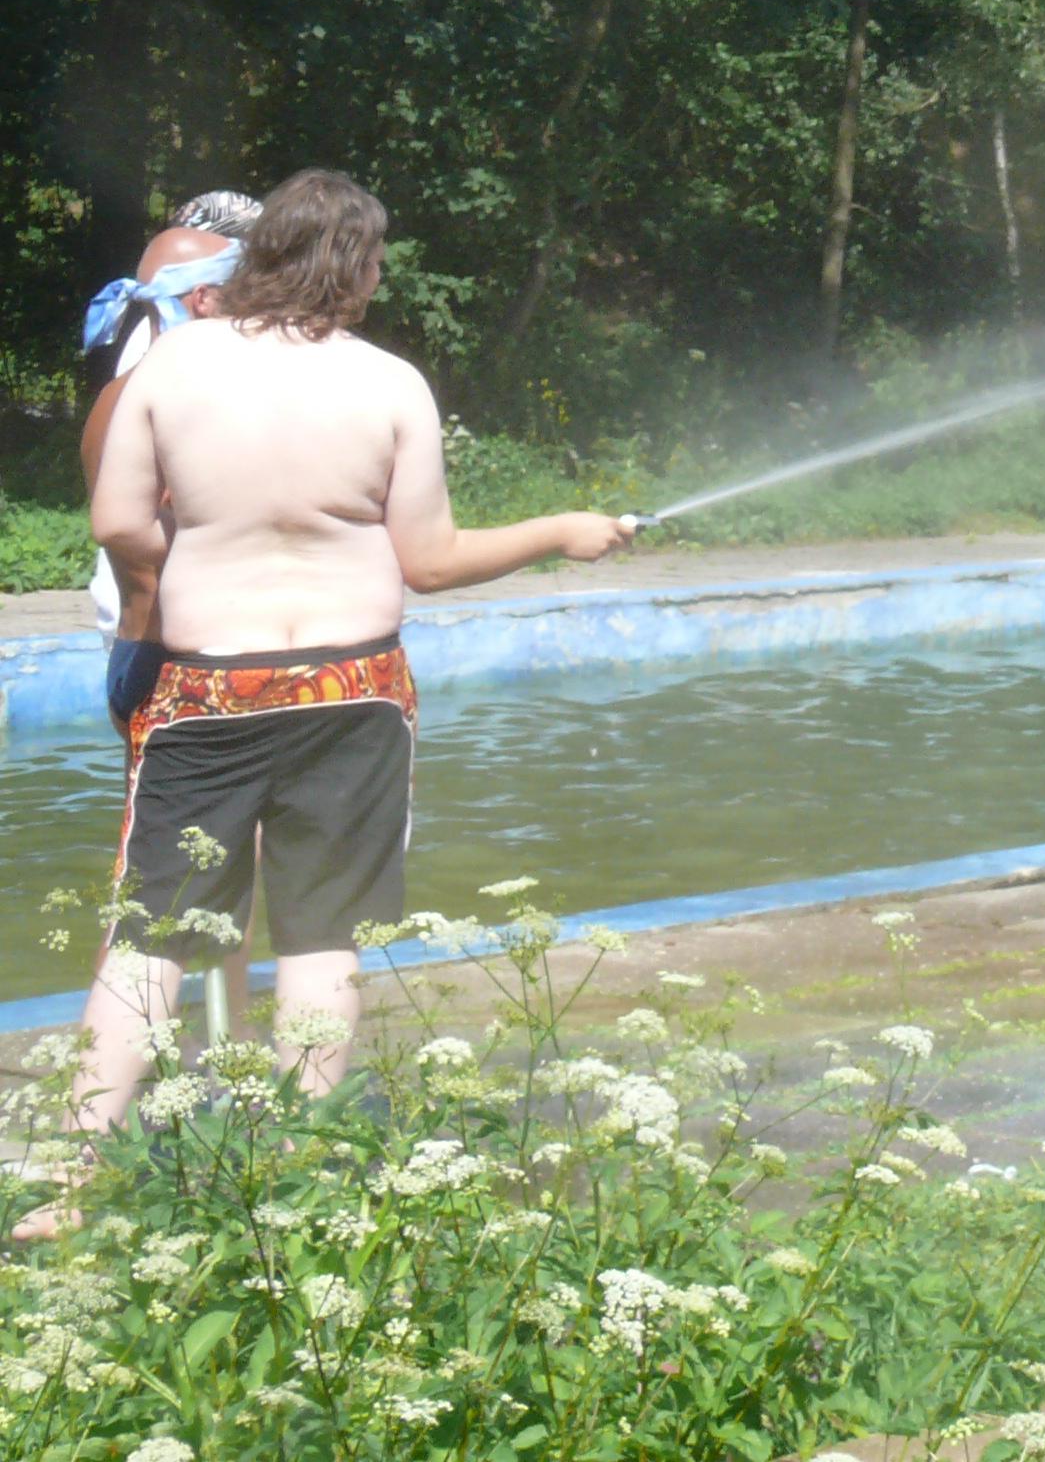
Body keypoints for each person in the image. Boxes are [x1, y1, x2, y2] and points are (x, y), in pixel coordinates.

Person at [31, 172, 636, 1237]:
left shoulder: (172, 368)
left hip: (207, 686)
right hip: (354, 690)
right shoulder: (390, 383)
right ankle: (301, 1168)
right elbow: (431, 561)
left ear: (262, 253)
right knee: (322, 936)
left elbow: (119, 521)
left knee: (150, 936)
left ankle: (72, 1182)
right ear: (356, 267)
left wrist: (198, 564)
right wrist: (560, 531)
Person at [77, 191, 265, 737]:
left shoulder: (114, 397)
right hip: (191, 660)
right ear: (204, 298)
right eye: (244, 292)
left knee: (152, 795)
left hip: (134, 655)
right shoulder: (191, 401)